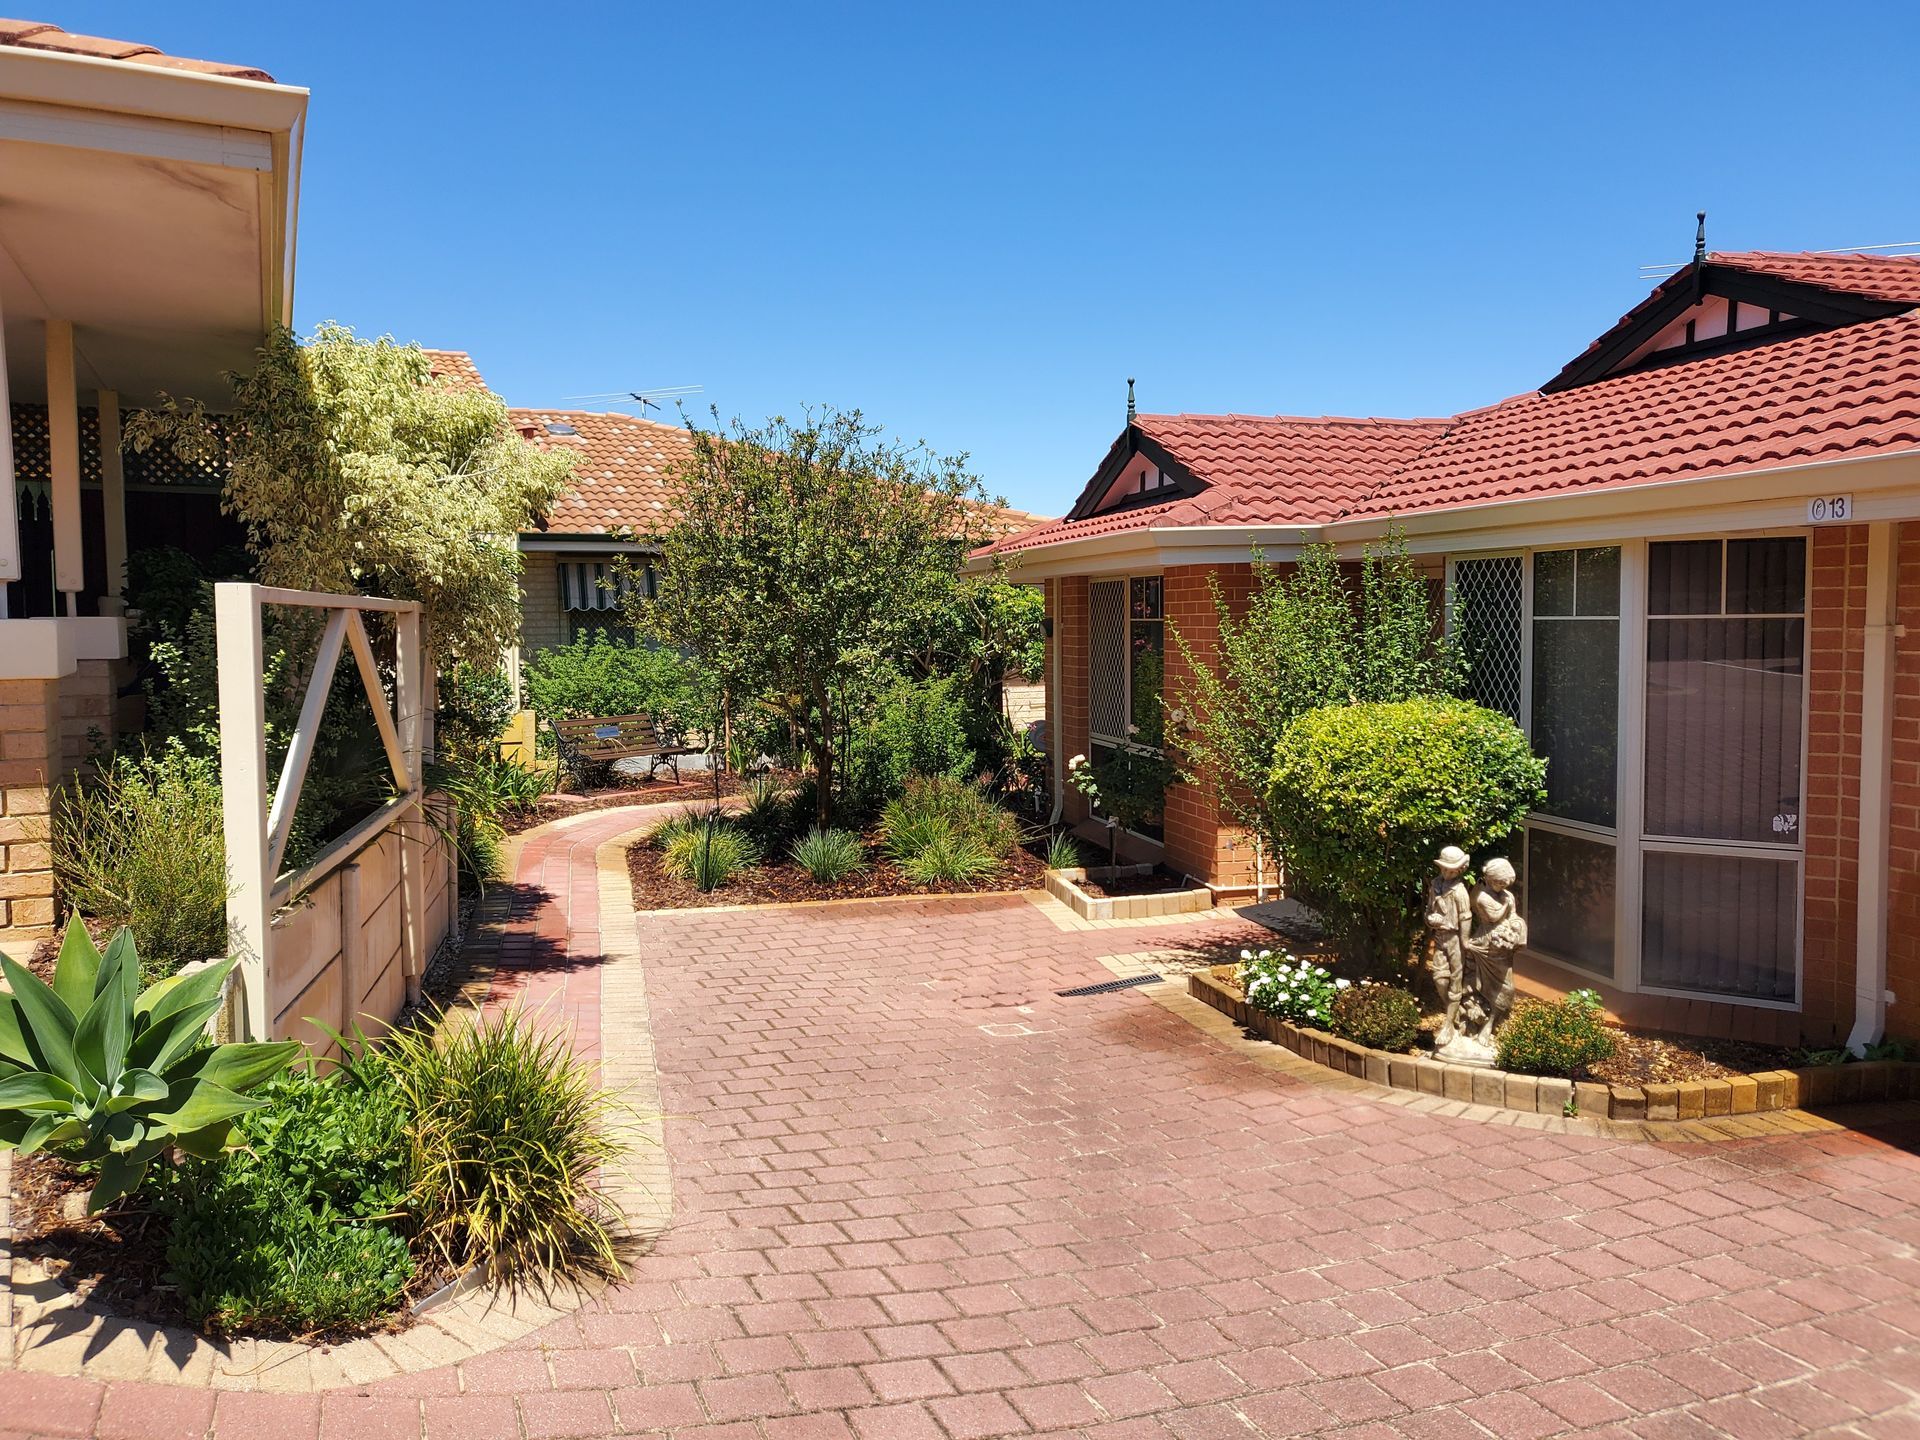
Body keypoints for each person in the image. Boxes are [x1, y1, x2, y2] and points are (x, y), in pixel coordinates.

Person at [1464, 857, 1525, 1045]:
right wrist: (1506, 906)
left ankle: (1495, 1024)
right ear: (1490, 879)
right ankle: (1477, 1023)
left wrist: (1516, 927)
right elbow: (1493, 916)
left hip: (1502, 948)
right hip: (1486, 944)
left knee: (1507, 988)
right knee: (1478, 985)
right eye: (1499, 882)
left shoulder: (1508, 895)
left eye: (1504, 883)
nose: (1502, 886)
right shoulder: (1481, 897)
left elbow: (1513, 915)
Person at [1424, 845, 1473, 1047]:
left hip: (1454, 939)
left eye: (1451, 870)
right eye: (1444, 869)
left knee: (1455, 980)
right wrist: (1430, 919)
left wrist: (1465, 940)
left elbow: (1466, 916)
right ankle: (1456, 1012)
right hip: (1440, 936)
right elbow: (1428, 910)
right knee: (1439, 977)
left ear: (1460, 870)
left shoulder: (1460, 891)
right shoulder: (1435, 885)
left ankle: (1448, 1024)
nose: (1446, 873)